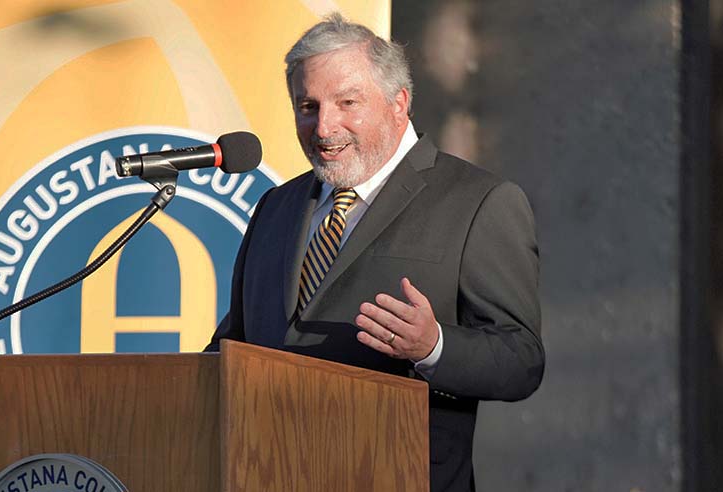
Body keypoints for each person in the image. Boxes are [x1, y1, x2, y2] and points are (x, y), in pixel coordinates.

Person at [205, 13, 544, 492]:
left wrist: (434, 348)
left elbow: (522, 360)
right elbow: (234, 344)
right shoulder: (276, 207)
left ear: (398, 103)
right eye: (308, 105)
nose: (324, 127)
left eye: (347, 102)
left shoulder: (479, 202)